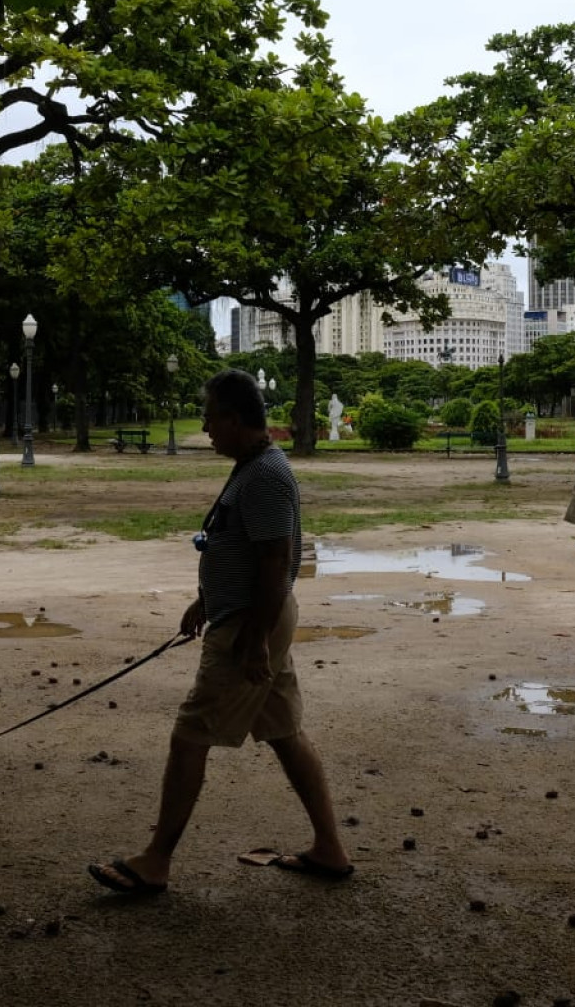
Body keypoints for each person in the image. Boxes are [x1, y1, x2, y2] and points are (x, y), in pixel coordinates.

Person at [88, 369, 352, 895]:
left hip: (250, 625)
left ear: (234, 419)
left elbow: (275, 561)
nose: (205, 427)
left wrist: (252, 639)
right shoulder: (251, 467)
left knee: (191, 734)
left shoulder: (266, 476)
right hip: (245, 616)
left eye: (210, 417)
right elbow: (240, 546)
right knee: (283, 732)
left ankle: (155, 861)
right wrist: (206, 598)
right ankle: (329, 849)